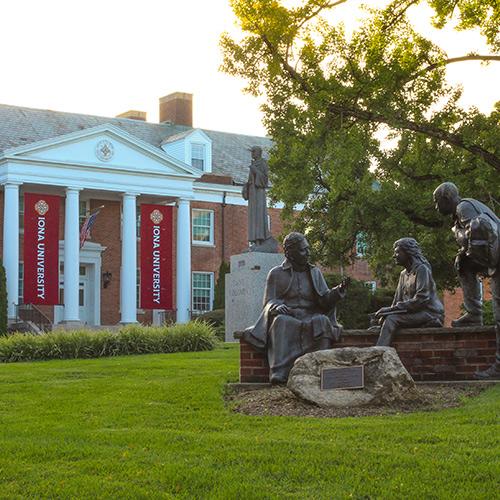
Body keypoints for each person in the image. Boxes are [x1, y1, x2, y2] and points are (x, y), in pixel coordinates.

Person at [243, 232, 349, 384]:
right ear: (289, 253)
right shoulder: (276, 274)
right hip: (289, 317)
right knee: (281, 322)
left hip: (310, 316)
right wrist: (277, 306)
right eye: (303, 250)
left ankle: (323, 368)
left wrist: (337, 292)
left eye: (307, 249)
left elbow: (325, 300)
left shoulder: (315, 272)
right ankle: (279, 372)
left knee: (322, 321)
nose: (308, 253)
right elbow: (269, 301)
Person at [433, 182, 500, 379]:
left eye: (437, 202)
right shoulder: (462, 212)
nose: (437, 208)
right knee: (462, 263)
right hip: (495, 262)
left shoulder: (464, 207)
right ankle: (474, 313)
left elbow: (480, 232)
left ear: (446, 199)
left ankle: (498, 366)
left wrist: (470, 251)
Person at [374, 238, 444, 346]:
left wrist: (391, 310)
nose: (394, 255)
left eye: (397, 252)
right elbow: (397, 300)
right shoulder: (403, 274)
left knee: (392, 319)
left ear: (408, 253)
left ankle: (379, 352)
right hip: (413, 312)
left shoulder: (422, 269)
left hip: (429, 312)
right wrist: (386, 312)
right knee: (382, 319)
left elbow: (422, 299)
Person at [242, 146, 271, 248]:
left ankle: (260, 240)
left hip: (259, 193)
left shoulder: (263, 163)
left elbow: (265, 180)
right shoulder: (253, 164)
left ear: (259, 153)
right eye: (252, 152)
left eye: (254, 152)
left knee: (259, 215)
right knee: (253, 216)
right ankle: (254, 241)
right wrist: (247, 186)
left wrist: (255, 170)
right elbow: (250, 180)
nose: (252, 154)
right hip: (252, 194)